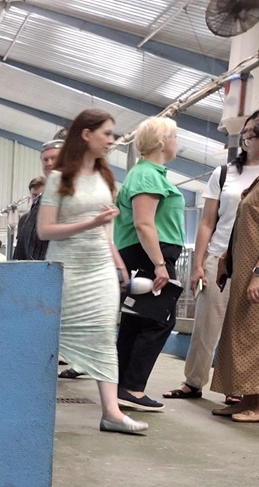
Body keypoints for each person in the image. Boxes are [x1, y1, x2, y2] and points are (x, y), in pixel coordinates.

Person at [37, 109, 147, 435]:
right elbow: (45, 231)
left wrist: (118, 262)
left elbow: (107, 230)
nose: (112, 141)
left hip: (100, 268)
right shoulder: (59, 179)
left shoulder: (106, 178)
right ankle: (33, 405)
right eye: (107, 134)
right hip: (68, 268)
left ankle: (112, 413)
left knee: (103, 336)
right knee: (50, 337)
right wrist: (90, 222)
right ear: (86, 134)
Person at [164, 107, 259, 402]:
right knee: (206, 322)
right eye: (246, 132)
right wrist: (198, 263)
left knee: (242, 328)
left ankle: (235, 388)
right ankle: (193, 381)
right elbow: (207, 222)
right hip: (220, 257)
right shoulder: (225, 173)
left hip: (254, 261)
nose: (248, 138)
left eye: (254, 132)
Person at [113, 116, 186, 412]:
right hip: (150, 254)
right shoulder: (147, 176)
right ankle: (132, 387)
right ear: (162, 141)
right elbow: (144, 224)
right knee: (158, 319)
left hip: (146, 253)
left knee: (137, 320)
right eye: (175, 137)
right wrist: (160, 264)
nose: (177, 144)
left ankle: (122, 384)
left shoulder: (149, 174)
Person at [210, 110, 259, 422]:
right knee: (245, 333)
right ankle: (249, 397)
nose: (245, 139)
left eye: (251, 134)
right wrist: (227, 259)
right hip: (246, 268)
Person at [14, 137, 63, 261]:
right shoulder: (30, 214)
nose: (49, 163)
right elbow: (21, 250)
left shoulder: (72, 197)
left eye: (54, 158)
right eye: (45, 160)